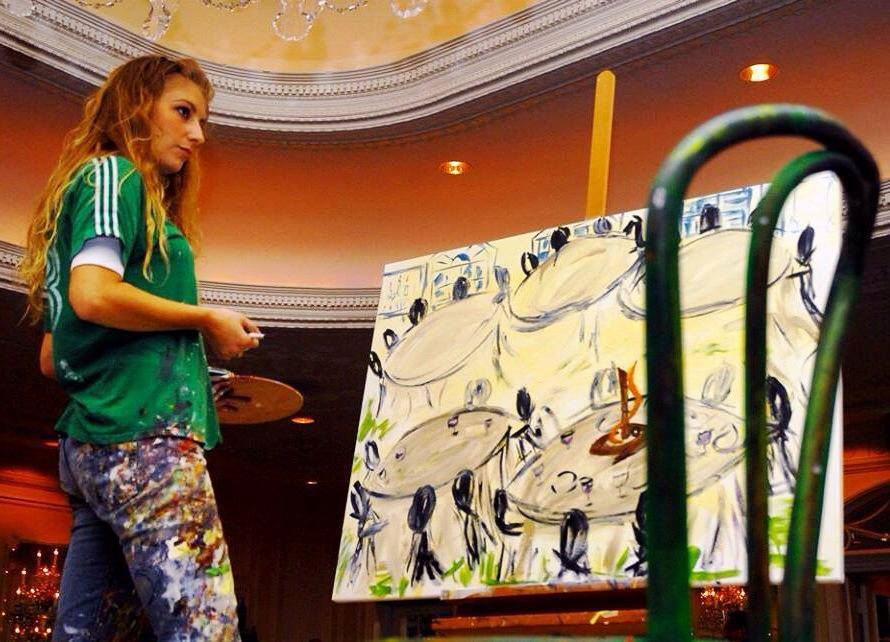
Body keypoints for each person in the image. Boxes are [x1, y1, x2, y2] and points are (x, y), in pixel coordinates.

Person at [19, 55, 260, 641]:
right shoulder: (113, 175)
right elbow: (94, 296)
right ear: (135, 108)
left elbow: (52, 357)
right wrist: (204, 319)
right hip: (144, 445)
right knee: (205, 631)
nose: (197, 135)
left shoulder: (102, 195)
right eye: (183, 112)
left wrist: (180, 369)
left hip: (94, 444)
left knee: (85, 634)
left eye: (201, 120)